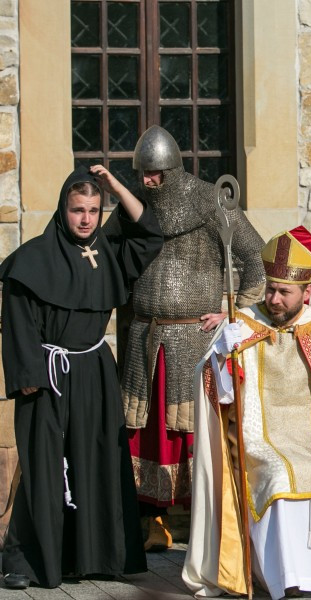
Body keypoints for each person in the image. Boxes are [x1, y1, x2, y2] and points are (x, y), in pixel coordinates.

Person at [183, 229, 311, 598]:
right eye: (271, 290)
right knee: (281, 476)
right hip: (260, 438)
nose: (274, 299)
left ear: (307, 293)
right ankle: (283, 579)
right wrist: (221, 359)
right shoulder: (243, 323)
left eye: (285, 292)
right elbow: (219, 396)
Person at [0, 165, 163, 589]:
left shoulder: (106, 252)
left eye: (94, 209)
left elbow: (149, 232)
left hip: (93, 370)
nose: (86, 218)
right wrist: (28, 376)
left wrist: (116, 187)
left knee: (98, 460)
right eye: (78, 210)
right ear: (63, 209)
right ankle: (26, 561)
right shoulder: (33, 259)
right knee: (45, 468)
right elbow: (17, 321)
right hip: (47, 374)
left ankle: (95, 557)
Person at [120, 125, 266, 550]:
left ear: (173, 169)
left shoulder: (209, 202)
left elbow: (255, 259)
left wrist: (232, 310)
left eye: (155, 174)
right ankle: (153, 521)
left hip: (194, 339)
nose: (147, 181)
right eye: (143, 173)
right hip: (145, 335)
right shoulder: (135, 206)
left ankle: (202, 516)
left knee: (193, 433)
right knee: (144, 430)